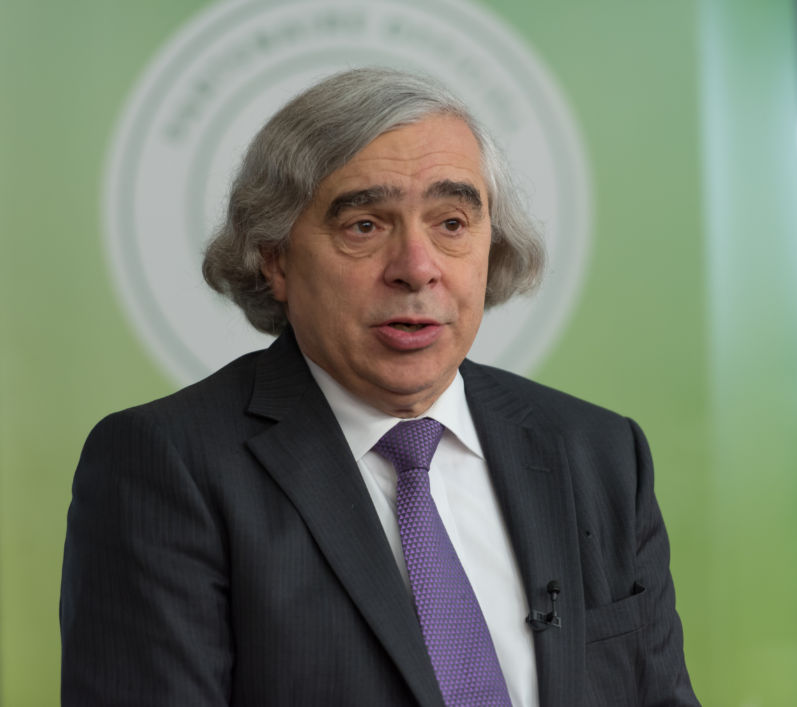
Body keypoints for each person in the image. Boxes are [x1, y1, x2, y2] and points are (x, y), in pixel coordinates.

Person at [60, 67, 699, 706]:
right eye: (365, 225)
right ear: (275, 257)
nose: (417, 268)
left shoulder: (600, 452)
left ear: (489, 248)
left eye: (451, 223)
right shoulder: (166, 465)